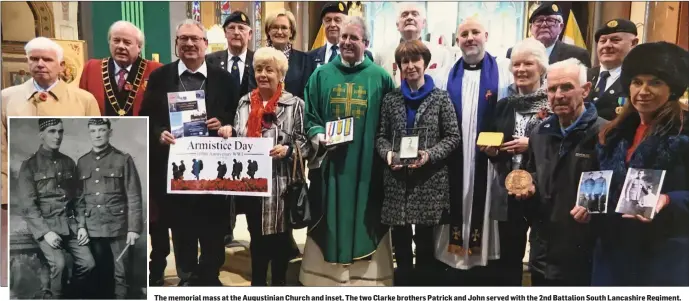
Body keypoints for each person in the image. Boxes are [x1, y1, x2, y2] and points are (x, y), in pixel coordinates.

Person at [139, 19, 239, 286]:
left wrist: (225, 124)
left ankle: (210, 274)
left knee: (213, 226)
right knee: (181, 227)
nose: (189, 44)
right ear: (176, 45)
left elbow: (235, 114)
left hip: (213, 169)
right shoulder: (161, 77)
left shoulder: (224, 78)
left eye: (195, 39)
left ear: (206, 44)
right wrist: (159, 133)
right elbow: (146, 117)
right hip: (175, 167)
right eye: (183, 39)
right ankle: (186, 275)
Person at [300, 15, 395, 286]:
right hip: (332, 164)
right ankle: (326, 278)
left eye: (354, 38)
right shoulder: (321, 75)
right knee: (329, 211)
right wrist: (319, 136)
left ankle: (367, 280)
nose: (347, 42)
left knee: (367, 212)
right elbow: (310, 116)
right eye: (344, 37)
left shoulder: (381, 77)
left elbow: (391, 121)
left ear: (366, 42)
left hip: (368, 166)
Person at [2, 39, 101, 279]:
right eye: (33, 59)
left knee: (86, 264)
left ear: (61, 65)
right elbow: (2, 150)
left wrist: (79, 226)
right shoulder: (6, 98)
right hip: (29, 215)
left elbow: (78, 193)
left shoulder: (84, 100)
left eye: (47, 59)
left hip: (68, 221)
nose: (39, 64)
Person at [593, 41, 689, 286]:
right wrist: (588, 203)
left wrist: (669, 200)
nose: (643, 90)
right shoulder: (614, 133)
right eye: (637, 81)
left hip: (664, 258)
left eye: (655, 82)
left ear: (673, 88)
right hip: (613, 256)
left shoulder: (684, 133)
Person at [219, 46, 307, 286]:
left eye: (269, 70)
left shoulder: (295, 104)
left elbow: (305, 142)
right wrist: (229, 132)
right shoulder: (244, 103)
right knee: (256, 238)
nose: (263, 74)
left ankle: (278, 284)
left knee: (279, 240)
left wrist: (288, 150)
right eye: (259, 69)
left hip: (282, 185)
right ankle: (257, 284)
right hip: (252, 186)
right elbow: (238, 137)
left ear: (281, 75)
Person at [375, 40, 460, 286]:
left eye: (415, 60)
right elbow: (380, 136)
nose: (410, 66)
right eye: (405, 61)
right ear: (399, 66)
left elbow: (453, 137)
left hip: (428, 181)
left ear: (425, 63)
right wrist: (388, 154)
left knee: (424, 244)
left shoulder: (441, 98)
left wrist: (429, 154)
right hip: (397, 182)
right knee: (400, 245)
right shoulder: (391, 99)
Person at [434, 17, 512, 285]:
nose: (469, 38)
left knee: (482, 201)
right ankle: (452, 258)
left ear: (486, 35)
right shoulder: (444, 74)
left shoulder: (503, 71)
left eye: (475, 32)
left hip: (487, 159)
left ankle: (480, 260)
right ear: (458, 41)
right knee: (457, 198)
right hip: (455, 156)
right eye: (464, 34)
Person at [515, 58, 606, 286]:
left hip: (584, 257)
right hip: (542, 255)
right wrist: (528, 186)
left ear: (585, 90)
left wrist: (593, 207)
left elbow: (616, 186)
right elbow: (531, 172)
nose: (558, 95)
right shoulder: (540, 133)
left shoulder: (606, 133)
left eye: (566, 87)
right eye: (552, 89)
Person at [482, 37, 551, 286]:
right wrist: (491, 151)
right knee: (509, 256)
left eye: (528, 64)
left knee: (543, 257)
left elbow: (560, 144)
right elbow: (492, 138)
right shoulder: (502, 106)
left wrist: (530, 144)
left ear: (541, 68)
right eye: (516, 64)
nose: (520, 70)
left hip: (544, 189)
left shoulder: (554, 105)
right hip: (508, 189)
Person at [17, 119, 96, 298]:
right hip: (46, 226)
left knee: (88, 263)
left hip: (70, 225)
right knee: (59, 264)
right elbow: (28, 206)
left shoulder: (68, 163)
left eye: (60, 132)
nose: (58, 136)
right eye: (52, 131)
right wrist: (46, 232)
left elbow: (78, 198)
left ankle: (70, 294)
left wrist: (82, 225)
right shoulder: (29, 166)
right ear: (41, 136)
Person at [76, 118, 143, 298]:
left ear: (109, 132)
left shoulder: (123, 159)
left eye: (101, 130)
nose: (97, 134)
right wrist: (81, 225)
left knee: (122, 274)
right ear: (89, 133)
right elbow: (79, 199)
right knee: (98, 272)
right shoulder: (82, 163)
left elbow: (134, 195)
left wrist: (134, 228)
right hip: (93, 227)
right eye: (93, 131)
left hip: (118, 227)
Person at [80, 21, 163, 116]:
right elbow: (81, 106)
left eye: (127, 42)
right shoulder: (91, 68)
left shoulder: (155, 70)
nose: (120, 46)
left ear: (139, 47)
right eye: (116, 41)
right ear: (109, 42)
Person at [374, 2, 454, 88]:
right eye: (404, 15)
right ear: (397, 25)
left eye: (415, 14)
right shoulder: (382, 55)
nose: (409, 17)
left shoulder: (441, 54)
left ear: (424, 23)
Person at [506, 2, 591, 67]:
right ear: (531, 28)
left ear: (561, 27)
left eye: (550, 20)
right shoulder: (513, 53)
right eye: (539, 20)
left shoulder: (578, 55)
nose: (544, 25)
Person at [586, 18, 639, 121]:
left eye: (615, 40)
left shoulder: (637, 80)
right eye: (603, 41)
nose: (607, 45)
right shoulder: (584, 75)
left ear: (633, 43)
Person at [264, 9, 315, 99]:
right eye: (275, 27)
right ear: (268, 31)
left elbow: (307, 94)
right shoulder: (258, 58)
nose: (279, 32)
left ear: (291, 32)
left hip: (295, 111)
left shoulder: (304, 60)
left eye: (284, 28)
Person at [206, 11, 257, 97]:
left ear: (250, 34)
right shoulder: (210, 61)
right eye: (232, 28)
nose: (236, 32)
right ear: (225, 33)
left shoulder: (257, 60)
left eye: (241, 28)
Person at [308, 2, 373, 67]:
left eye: (337, 20)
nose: (332, 24)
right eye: (328, 20)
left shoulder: (364, 55)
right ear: (323, 24)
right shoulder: (310, 57)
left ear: (347, 23)